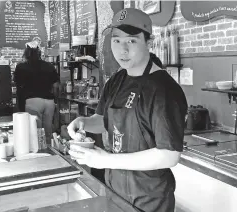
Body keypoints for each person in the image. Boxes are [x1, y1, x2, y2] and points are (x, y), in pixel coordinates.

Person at [67, 8, 187, 212]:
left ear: (148, 43)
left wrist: (106, 159)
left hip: (149, 199)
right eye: (116, 40)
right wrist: (84, 123)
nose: (122, 49)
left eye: (131, 41)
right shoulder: (116, 80)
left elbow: (169, 155)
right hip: (115, 189)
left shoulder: (163, 90)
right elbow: (103, 120)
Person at [14, 37, 60, 144]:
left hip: (32, 101)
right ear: (39, 53)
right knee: (48, 131)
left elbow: (18, 87)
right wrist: (55, 101)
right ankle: (50, 154)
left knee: (36, 132)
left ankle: (40, 155)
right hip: (49, 102)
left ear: (26, 53)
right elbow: (56, 86)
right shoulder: (49, 66)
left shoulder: (21, 67)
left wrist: (19, 106)